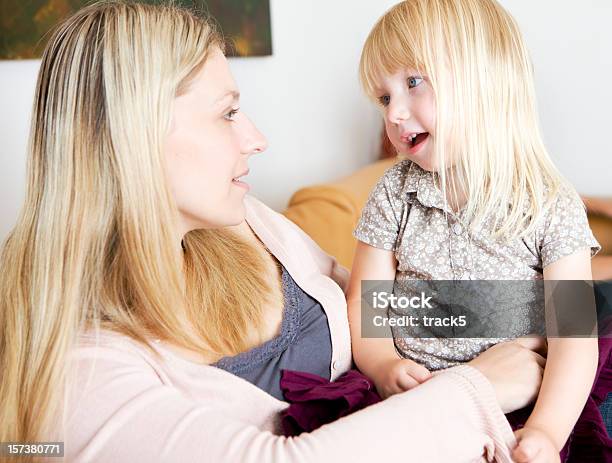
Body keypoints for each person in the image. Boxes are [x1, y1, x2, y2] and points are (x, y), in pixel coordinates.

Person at [0, 1, 547, 462]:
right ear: (131, 136)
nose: (257, 139)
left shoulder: (242, 220)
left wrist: (546, 316)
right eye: (228, 113)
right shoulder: (72, 373)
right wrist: (482, 386)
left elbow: (375, 303)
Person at [348, 1, 604, 462]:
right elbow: (366, 300)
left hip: (519, 401)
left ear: (483, 80)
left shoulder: (550, 202)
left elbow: (573, 336)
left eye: (412, 82)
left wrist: (546, 429)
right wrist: (382, 364)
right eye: (385, 98)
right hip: (416, 395)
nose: (394, 114)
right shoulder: (394, 191)